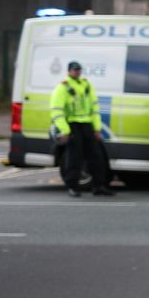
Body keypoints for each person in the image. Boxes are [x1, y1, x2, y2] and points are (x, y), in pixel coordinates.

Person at [50, 61, 114, 197]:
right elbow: (56, 111)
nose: (77, 72)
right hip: (72, 125)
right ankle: (72, 187)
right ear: (68, 71)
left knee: (96, 157)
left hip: (87, 125)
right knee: (74, 158)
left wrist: (96, 129)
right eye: (74, 70)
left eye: (78, 70)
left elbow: (95, 109)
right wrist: (65, 130)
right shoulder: (63, 87)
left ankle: (99, 186)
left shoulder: (86, 85)